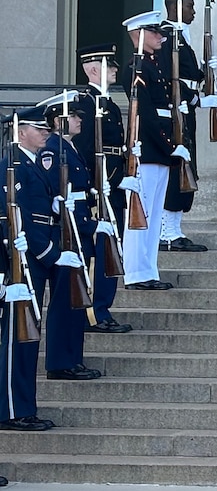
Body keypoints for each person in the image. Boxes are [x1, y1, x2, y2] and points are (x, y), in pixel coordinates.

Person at [120, 9, 187, 290]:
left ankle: (148, 270)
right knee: (141, 214)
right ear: (139, 35)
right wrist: (172, 146)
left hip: (159, 151)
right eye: (155, 33)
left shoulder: (154, 65)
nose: (161, 37)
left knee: (154, 214)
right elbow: (145, 115)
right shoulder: (136, 68)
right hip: (147, 150)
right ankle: (136, 272)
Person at [37, 93, 101, 381]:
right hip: (67, 234)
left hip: (77, 232)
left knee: (76, 298)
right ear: (58, 120)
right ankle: (61, 362)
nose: (79, 120)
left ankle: (73, 358)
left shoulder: (68, 147)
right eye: (74, 116)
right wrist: (87, 226)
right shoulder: (53, 150)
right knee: (66, 300)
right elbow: (58, 196)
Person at [0, 108, 57, 432]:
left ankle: (24, 406)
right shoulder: (12, 165)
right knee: (15, 340)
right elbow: (10, 216)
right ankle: (10, 409)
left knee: (28, 338)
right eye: (39, 127)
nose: (46, 131)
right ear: (22, 131)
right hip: (18, 262)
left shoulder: (34, 163)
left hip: (33, 258)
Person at [71, 45, 131, 332]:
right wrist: (105, 184)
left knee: (111, 249)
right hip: (100, 190)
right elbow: (86, 151)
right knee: (100, 250)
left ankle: (104, 309)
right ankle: (94, 312)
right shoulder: (85, 104)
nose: (115, 70)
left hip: (113, 187)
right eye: (110, 66)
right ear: (93, 69)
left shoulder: (108, 103)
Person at [159, 0, 209, 252]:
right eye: (190, 6)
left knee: (187, 170)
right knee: (177, 172)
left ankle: (174, 229)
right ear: (176, 7)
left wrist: (204, 71)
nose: (194, 11)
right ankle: (167, 232)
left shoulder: (179, 38)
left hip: (185, 111)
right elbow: (169, 79)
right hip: (177, 111)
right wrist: (195, 98)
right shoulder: (168, 39)